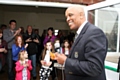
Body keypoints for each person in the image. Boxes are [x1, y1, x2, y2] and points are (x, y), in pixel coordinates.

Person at [55, 6, 108, 80]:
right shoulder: (81, 33)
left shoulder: (94, 33)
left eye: (70, 15)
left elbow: (94, 67)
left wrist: (66, 61)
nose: (67, 19)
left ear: (81, 15)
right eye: (66, 17)